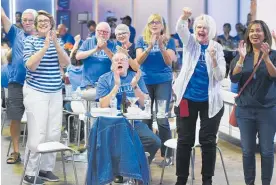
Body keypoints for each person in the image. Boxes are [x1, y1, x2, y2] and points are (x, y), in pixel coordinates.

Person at [173, 8, 226, 185]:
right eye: (198, 27)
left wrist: (213, 60)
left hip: (210, 102)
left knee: (208, 141)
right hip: (187, 100)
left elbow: (220, 76)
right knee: (184, 140)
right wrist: (185, 17)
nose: (201, 30)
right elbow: (180, 28)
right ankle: (181, 179)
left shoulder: (217, 48)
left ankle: (207, 180)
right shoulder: (190, 44)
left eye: (204, 28)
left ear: (211, 30)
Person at [23, 10, 70, 184]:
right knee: (38, 132)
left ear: (51, 24)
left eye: (46, 21)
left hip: (55, 92)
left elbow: (66, 63)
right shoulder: (30, 41)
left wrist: (55, 44)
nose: (43, 23)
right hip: (36, 92)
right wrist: (44, 46)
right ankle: (30, 172)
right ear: (36, 25)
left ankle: (45, 169)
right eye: (40, 21)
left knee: (53, 132)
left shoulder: (59, 42)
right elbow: (30, 65)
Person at [230, 20, 276, 185]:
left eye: (258, 30)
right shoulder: (242, 55)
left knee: (267, 151)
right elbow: (234, 77)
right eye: (251, 31)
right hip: (245, 110)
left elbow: (274, 75)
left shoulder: (273, 54)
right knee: (247, 152)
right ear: (248, 35)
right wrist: (241, 60)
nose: (255, 33)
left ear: (265, 34)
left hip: (267, 110)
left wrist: (267, 59)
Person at [96, 51, 161, 163]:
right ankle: (120, 170)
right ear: (112, 65)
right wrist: (116, 86)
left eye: (123, 60)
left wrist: (135, 86)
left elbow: (144, 102)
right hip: (113, 122)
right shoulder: (104, 79)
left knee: (154, 141)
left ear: (128, 64)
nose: (120, 61)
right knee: (122, 142)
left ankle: (139, 167)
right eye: (116, 60)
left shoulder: (135, 77)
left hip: (134, 122)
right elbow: (102, 105)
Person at [136, 13, 176, 167]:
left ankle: (167, 155)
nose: (154, 24)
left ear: (162, 25)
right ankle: (147, 153)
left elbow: (169, 62)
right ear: (148, 24)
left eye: (157, 22)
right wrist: (150, 45)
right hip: (145, 82)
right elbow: (138, 61)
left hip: (163, 82)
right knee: (146, 118)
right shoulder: (141, 39)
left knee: (161, 118)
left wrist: (160, 45)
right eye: (151, 22)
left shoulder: (169, 41)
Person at [1, 6, 37, 165]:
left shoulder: (41, 37)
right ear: (21, 22)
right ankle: (16, 152)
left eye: (30, 20)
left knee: (36, 119)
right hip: (16, 82)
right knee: (15, 118)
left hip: (36, 84)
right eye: (25, 20)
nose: (27, 22)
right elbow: (3, 16)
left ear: (35, 21)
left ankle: (36, 152)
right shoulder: (16, 33)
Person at [76, 22, 116, 99]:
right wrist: (95, 50)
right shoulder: (88, 42)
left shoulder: (113, 45)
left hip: (106, 85)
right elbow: (78, 56)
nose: (102, 34)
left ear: (109, 34)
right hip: (89, 85)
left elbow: (116, 61)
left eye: (105, 32)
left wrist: (105, 48)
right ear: (95, 31)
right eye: (99, 31)